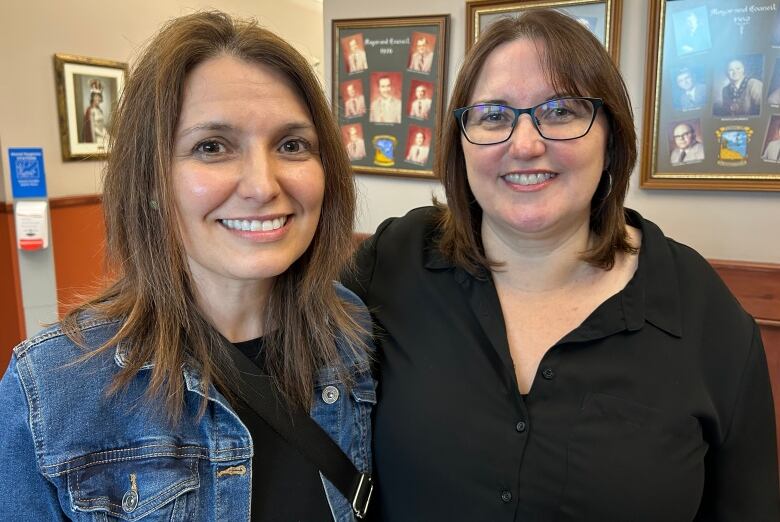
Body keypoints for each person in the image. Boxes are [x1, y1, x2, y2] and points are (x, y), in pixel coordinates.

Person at [345, 10, 779, 521]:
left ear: (611, 137)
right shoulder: (394, 262)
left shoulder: (705, 318)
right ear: (460, 142)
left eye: (560, 111)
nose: (525, 144)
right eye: (493, 115)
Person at [0, 11, 375, 522]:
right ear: (152, 182)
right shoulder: (53, 387)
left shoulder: (351, 335)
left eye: (291, 145)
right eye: (212, 147)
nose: (263, 186)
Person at [82, 79, 108, 143]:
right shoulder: (89, 111)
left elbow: (102, 126)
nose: (98, 98)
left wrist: (107, 134)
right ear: (93, 97)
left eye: (99, 96)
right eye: (96, 96)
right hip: (96, 138)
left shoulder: (100, 111)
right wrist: (103, 136)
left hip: (102, 135)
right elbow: (93, 129)